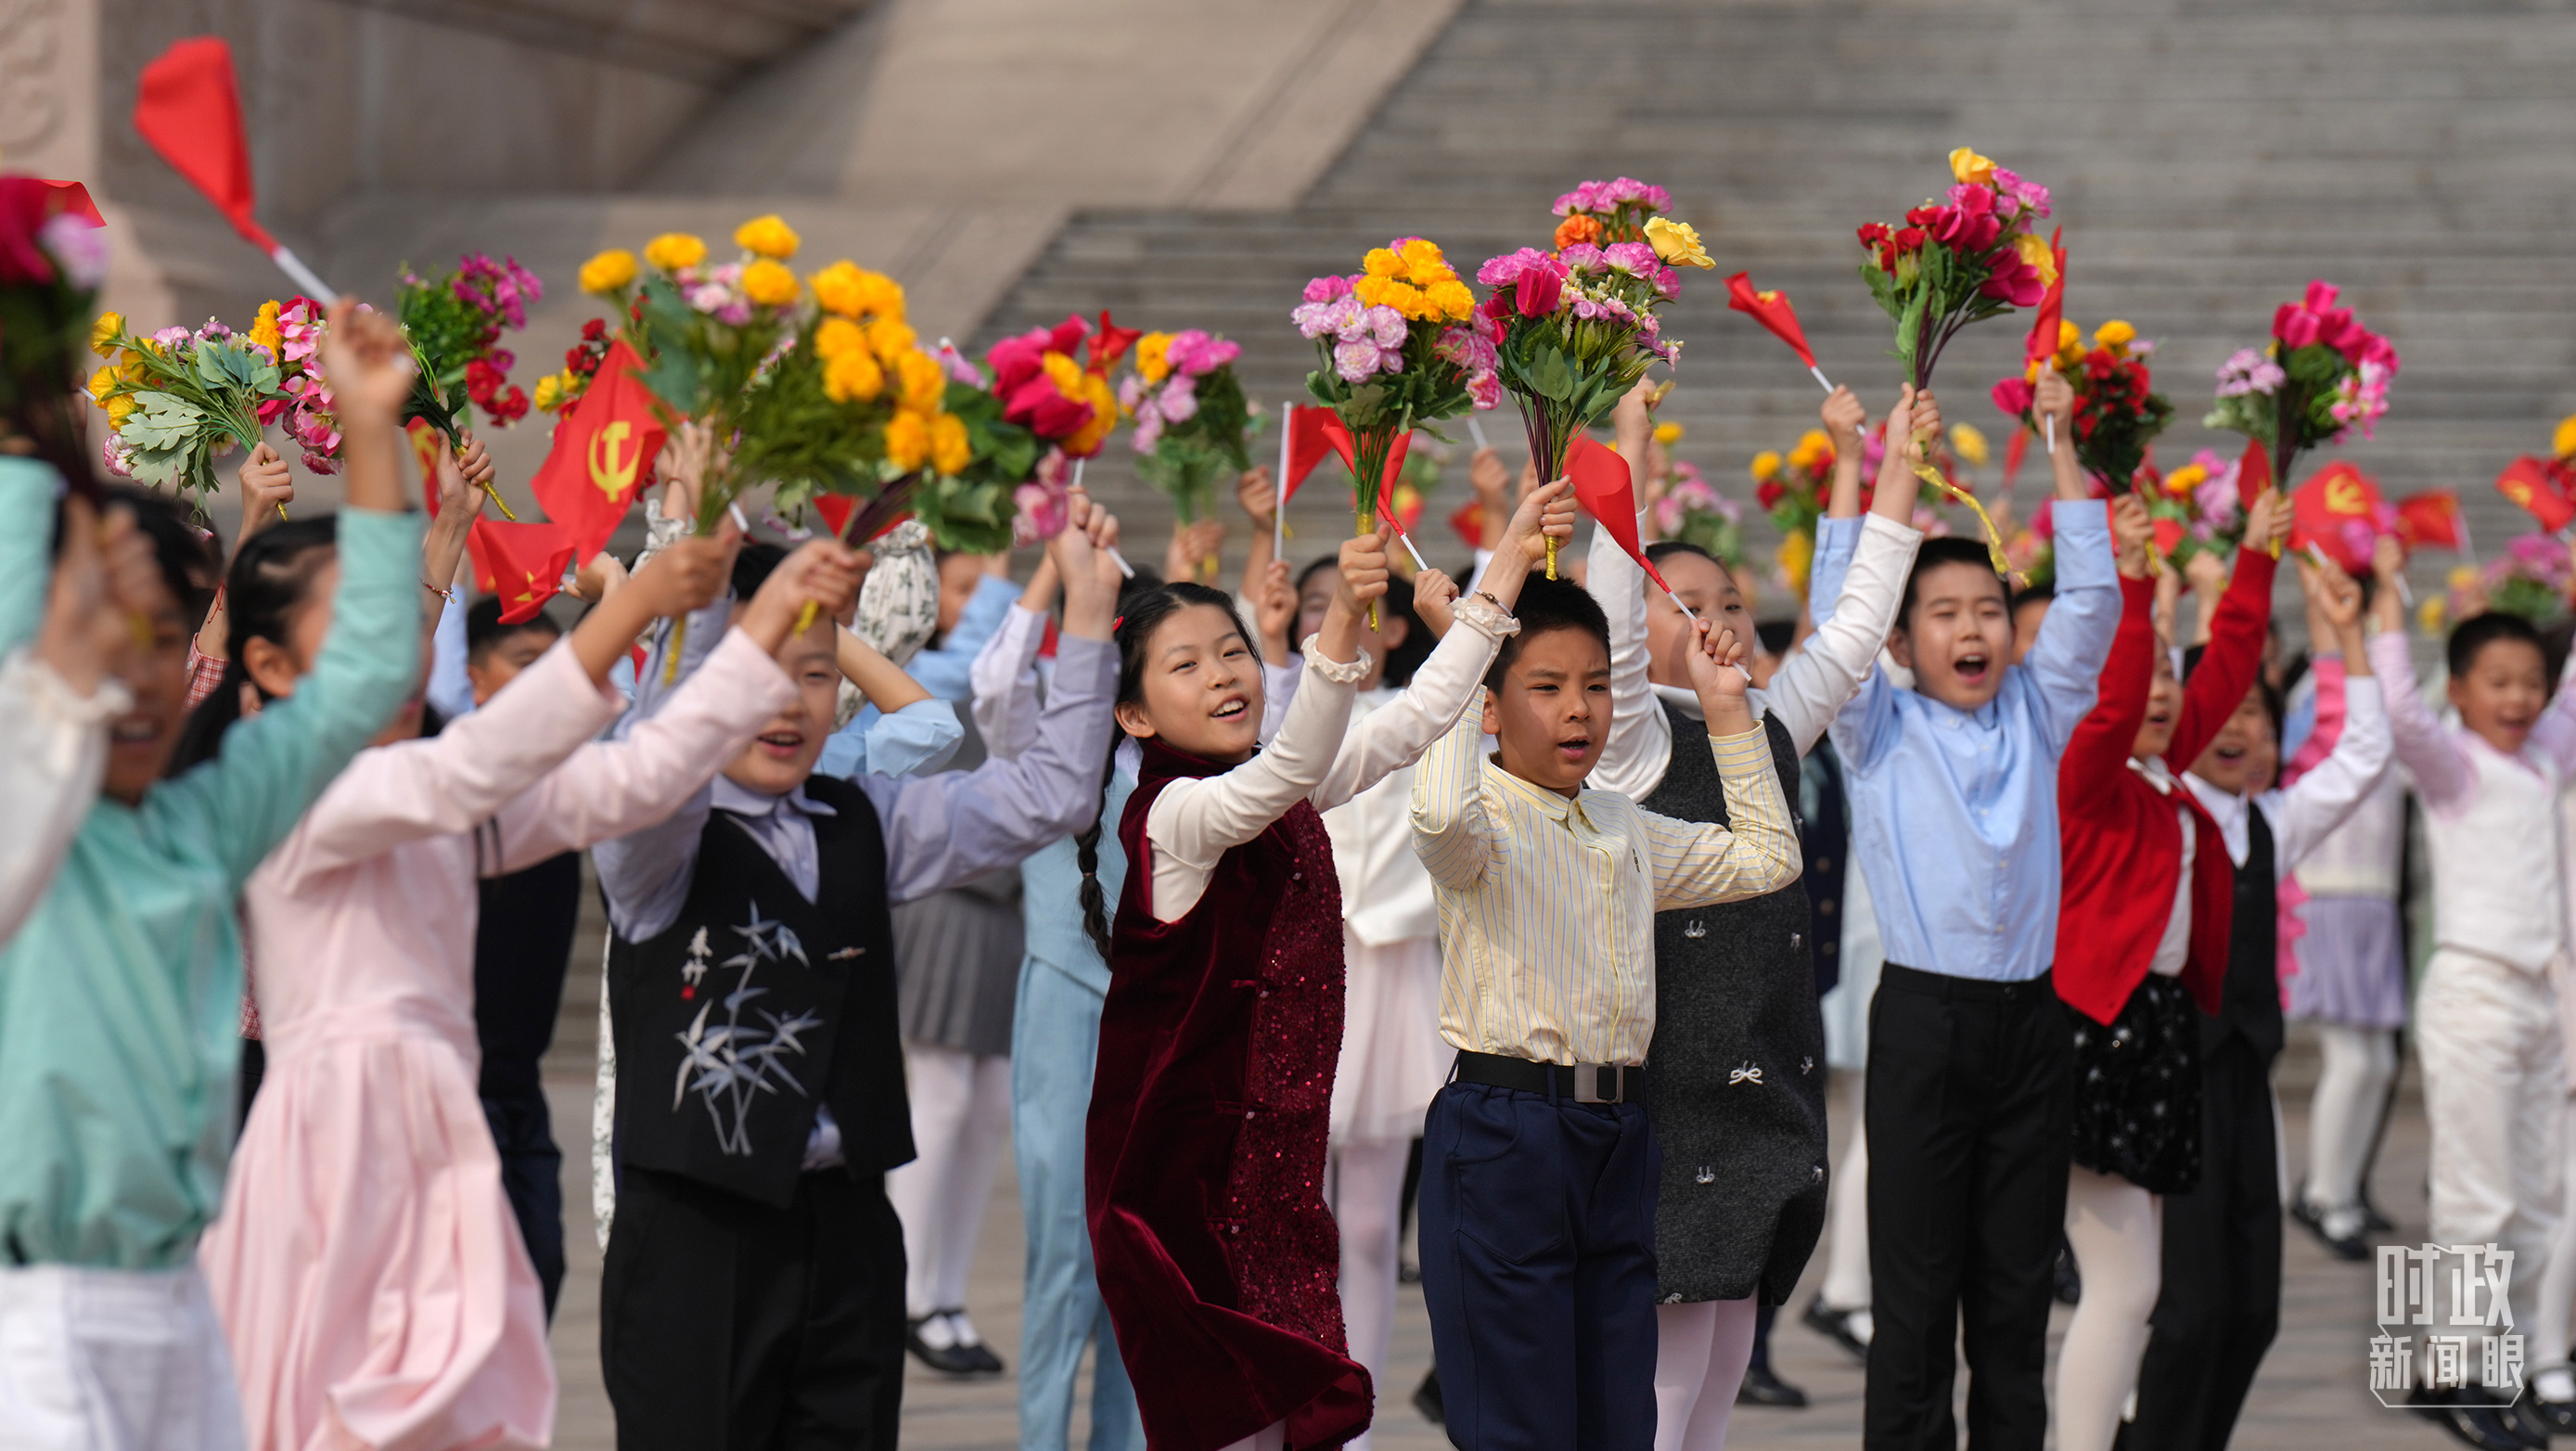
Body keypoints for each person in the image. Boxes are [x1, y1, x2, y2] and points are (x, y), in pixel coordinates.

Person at [199, 488, 849, 1451]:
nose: (395, 655)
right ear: (268, 665)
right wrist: (631, 606)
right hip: (332, 1149)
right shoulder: (283, 782)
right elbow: (470, 765)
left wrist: (760, 630)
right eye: (357, 632)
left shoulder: (429, 797)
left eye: (401, 626)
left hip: (440, 1141)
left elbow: (636, 777)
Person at [592, 494, 1126, 1450]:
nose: (787, 703)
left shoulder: (863, 816)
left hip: (849, 1233)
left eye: (813, 675)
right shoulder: (655, 834)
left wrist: (1085, 614)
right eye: (755, 672)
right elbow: (658, 758)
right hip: (696, 1241)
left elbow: (1050, 795)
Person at [0, 298, 424, 1445]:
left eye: (163, 634)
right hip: (34, 1319)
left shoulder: (202, 824)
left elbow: (361, 676)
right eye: (107, 631)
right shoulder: (24, 834)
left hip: (186, 1305)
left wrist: (372, 433)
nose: (140, 672)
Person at [1086, 475, 1568, 1451]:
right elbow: (1291, 768)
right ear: (1133, 717)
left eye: (1231, 651)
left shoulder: (1273, 786)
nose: (1222, 675)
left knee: (1286, 1422)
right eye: (1185, 665)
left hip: (1270, 1179)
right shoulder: (1177, 814)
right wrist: (1341, 622)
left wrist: (1512, 557)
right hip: (1181, 1197)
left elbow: (1414, 718)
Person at [1583, 381, 1924, 1450]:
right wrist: (1628, 446)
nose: (1714, 617)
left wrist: (1893, 465)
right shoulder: (1629, 736)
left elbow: (1857, 625)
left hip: (1765, 1068)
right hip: (1668, 1081)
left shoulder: (1770, 719)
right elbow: (1606, 615)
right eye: (1680, 599)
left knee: (1727, 1348)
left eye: (1728, 601)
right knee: (1666, 1368)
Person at [1411, 521, 1802, 1447]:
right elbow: (1438, 812)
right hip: (1504, 1133)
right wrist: (1464, 647)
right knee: (1519, 1424)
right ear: (1489, 708)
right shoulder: (1476, 818)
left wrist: (1724, 706)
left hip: (1620, 1133)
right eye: (1545, 687)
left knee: (1619, 1419)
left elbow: (1767, 856)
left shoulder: (1624, 822)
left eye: (1595, 685)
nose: (1577, 710)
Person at [1820, 368, 2115, 1451]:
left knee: (2013, 1301)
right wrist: (1869, 465)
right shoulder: (1876, 727)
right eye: (1942, 614)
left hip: (2031, 1027)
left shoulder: (2038, 709)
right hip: (1923, 1026)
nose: (1971, 628)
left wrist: (2060, 442)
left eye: (1987, 609)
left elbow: (2091, 604)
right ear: (1900, 642)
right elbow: (1839, 619)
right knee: (1912, 1303)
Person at [2364, 571, 2576, 1448]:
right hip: (2473, 993)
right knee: (2474, 1195)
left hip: (2540, 999)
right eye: (2497, 682)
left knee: (2535, 1198)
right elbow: (2399, 713)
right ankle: (2454, 1369)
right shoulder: (2452, 766)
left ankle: (2503, 1367)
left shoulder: (2542, 760)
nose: (2518, 698)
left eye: (2530, 682)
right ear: (2458, 690)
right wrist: (2385, 610)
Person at [2284, 548, 2411, 1261]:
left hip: (2373, 897)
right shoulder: (2320, 690)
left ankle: (2340, 1191)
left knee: (2378, 1064)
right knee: (2352, 1061)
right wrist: (2319, 595)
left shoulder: (2387, 694)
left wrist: (2388, 587)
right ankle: (2323, 1197)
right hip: (2327, 894)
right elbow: (2333, 655)